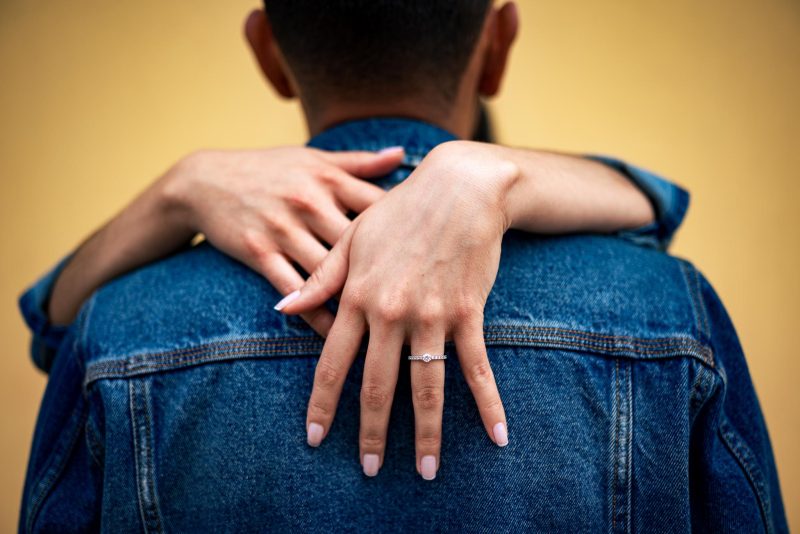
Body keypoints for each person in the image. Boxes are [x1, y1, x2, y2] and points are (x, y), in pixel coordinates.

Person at [17, 1, 786, 532]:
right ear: (499, 41)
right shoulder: (668, 309)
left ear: (267, 51)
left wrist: (178, 191)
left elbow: (49, 338)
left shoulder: (114, 329)